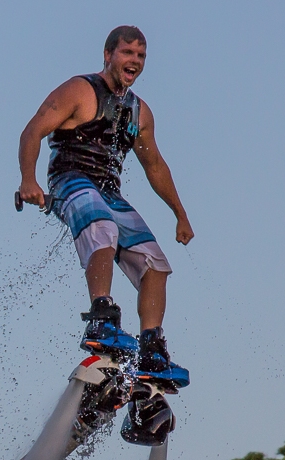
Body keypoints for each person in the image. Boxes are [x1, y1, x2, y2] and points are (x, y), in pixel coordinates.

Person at [18, 25, 192, 386]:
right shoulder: (79, 90)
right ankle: (101, 315)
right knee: (104, 226)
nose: (135, 62)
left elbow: (155, 166)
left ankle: (151, 347)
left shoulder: (139, 112)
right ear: (108, 54)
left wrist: (180, 215)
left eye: (141, 56)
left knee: (155, 263)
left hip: (109, 193)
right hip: (69, 180)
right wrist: (28, 180)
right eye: (128, 53)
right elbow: (32, 130)